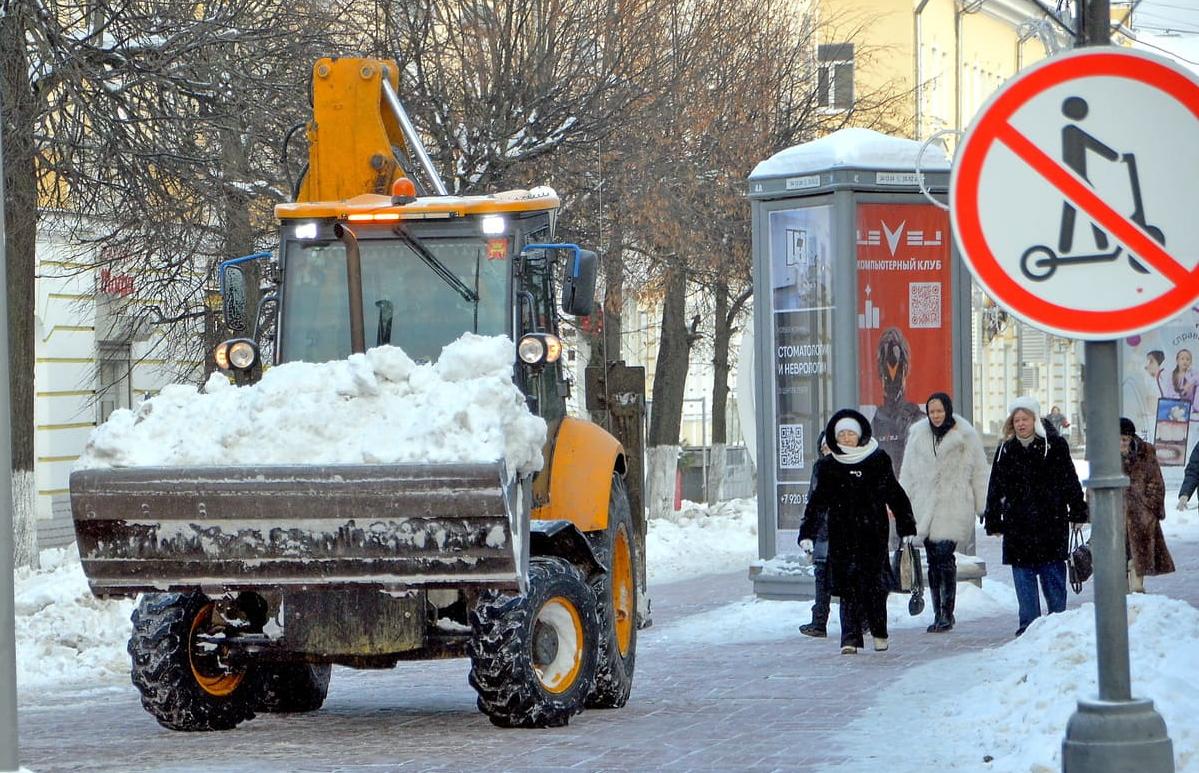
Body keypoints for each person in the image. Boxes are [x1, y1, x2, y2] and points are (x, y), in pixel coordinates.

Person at [801, 409, 916, 655]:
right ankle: (849, 639)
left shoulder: (877, 460)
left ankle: (879, 633)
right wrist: (807, 534)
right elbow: (817, 503)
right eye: (841, 434)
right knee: (848, 589)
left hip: (873, 535)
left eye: (850, 433)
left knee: (875, 588)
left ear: (860, 434)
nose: (846, 438)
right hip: (842, 536)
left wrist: (906, 526)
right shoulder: (828, 466)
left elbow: (895, 494)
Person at [983, 396, 1089, 636]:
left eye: (1025, 419)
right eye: (1016, 420)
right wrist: (993, 518)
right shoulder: (1005, 449)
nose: (1021, 424)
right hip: (1018, 526)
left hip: (1050, 523)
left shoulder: (1054, 446)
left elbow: (1069, 479)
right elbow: (995, 487)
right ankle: (1028, 628)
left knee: (1053, 578)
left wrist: (1078, 509)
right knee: (1024, 580)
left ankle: (1058, 625)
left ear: (1035, 420)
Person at [899, 392, 990, 633]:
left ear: (947, 410)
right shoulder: (918, 435)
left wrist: (982, 505)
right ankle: (938, 612)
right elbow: (907, 472)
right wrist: (902, 505)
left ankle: (946, 614)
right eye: (932, 412)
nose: (936, 416)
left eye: (940, 411)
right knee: (933, 560)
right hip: (924, 504)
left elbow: (979, 472)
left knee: (944, 556)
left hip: (953, 504)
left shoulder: (966, 435)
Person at [1120, 418, 1175, 592]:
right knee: (1117, 563)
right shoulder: (1107, 458)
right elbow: (1095, 488)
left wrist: (1148, 507)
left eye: (1124, 439)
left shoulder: (1145, 453)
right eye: (1117, 439)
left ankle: (1137, 594)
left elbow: (1157, 483)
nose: (1121, 443)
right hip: (1115, 518)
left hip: (1141, 518)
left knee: (1137, 561)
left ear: (1131, 438)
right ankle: (1121, 599)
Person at [869, 327, 924, 476]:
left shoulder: (918, 419)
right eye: (886, 374)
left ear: (905, 371)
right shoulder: (874, 423)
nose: (892, 379)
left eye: (898, 370)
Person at [798, 432, 832, 637]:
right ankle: (819, 622)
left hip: (842, 533)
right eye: (823, 446)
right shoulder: (818, 468)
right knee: (822, 578)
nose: (826, 449)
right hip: (822, 533)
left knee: (849, 581)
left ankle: (862, 620)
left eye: (829, 445)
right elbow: (813, 503)